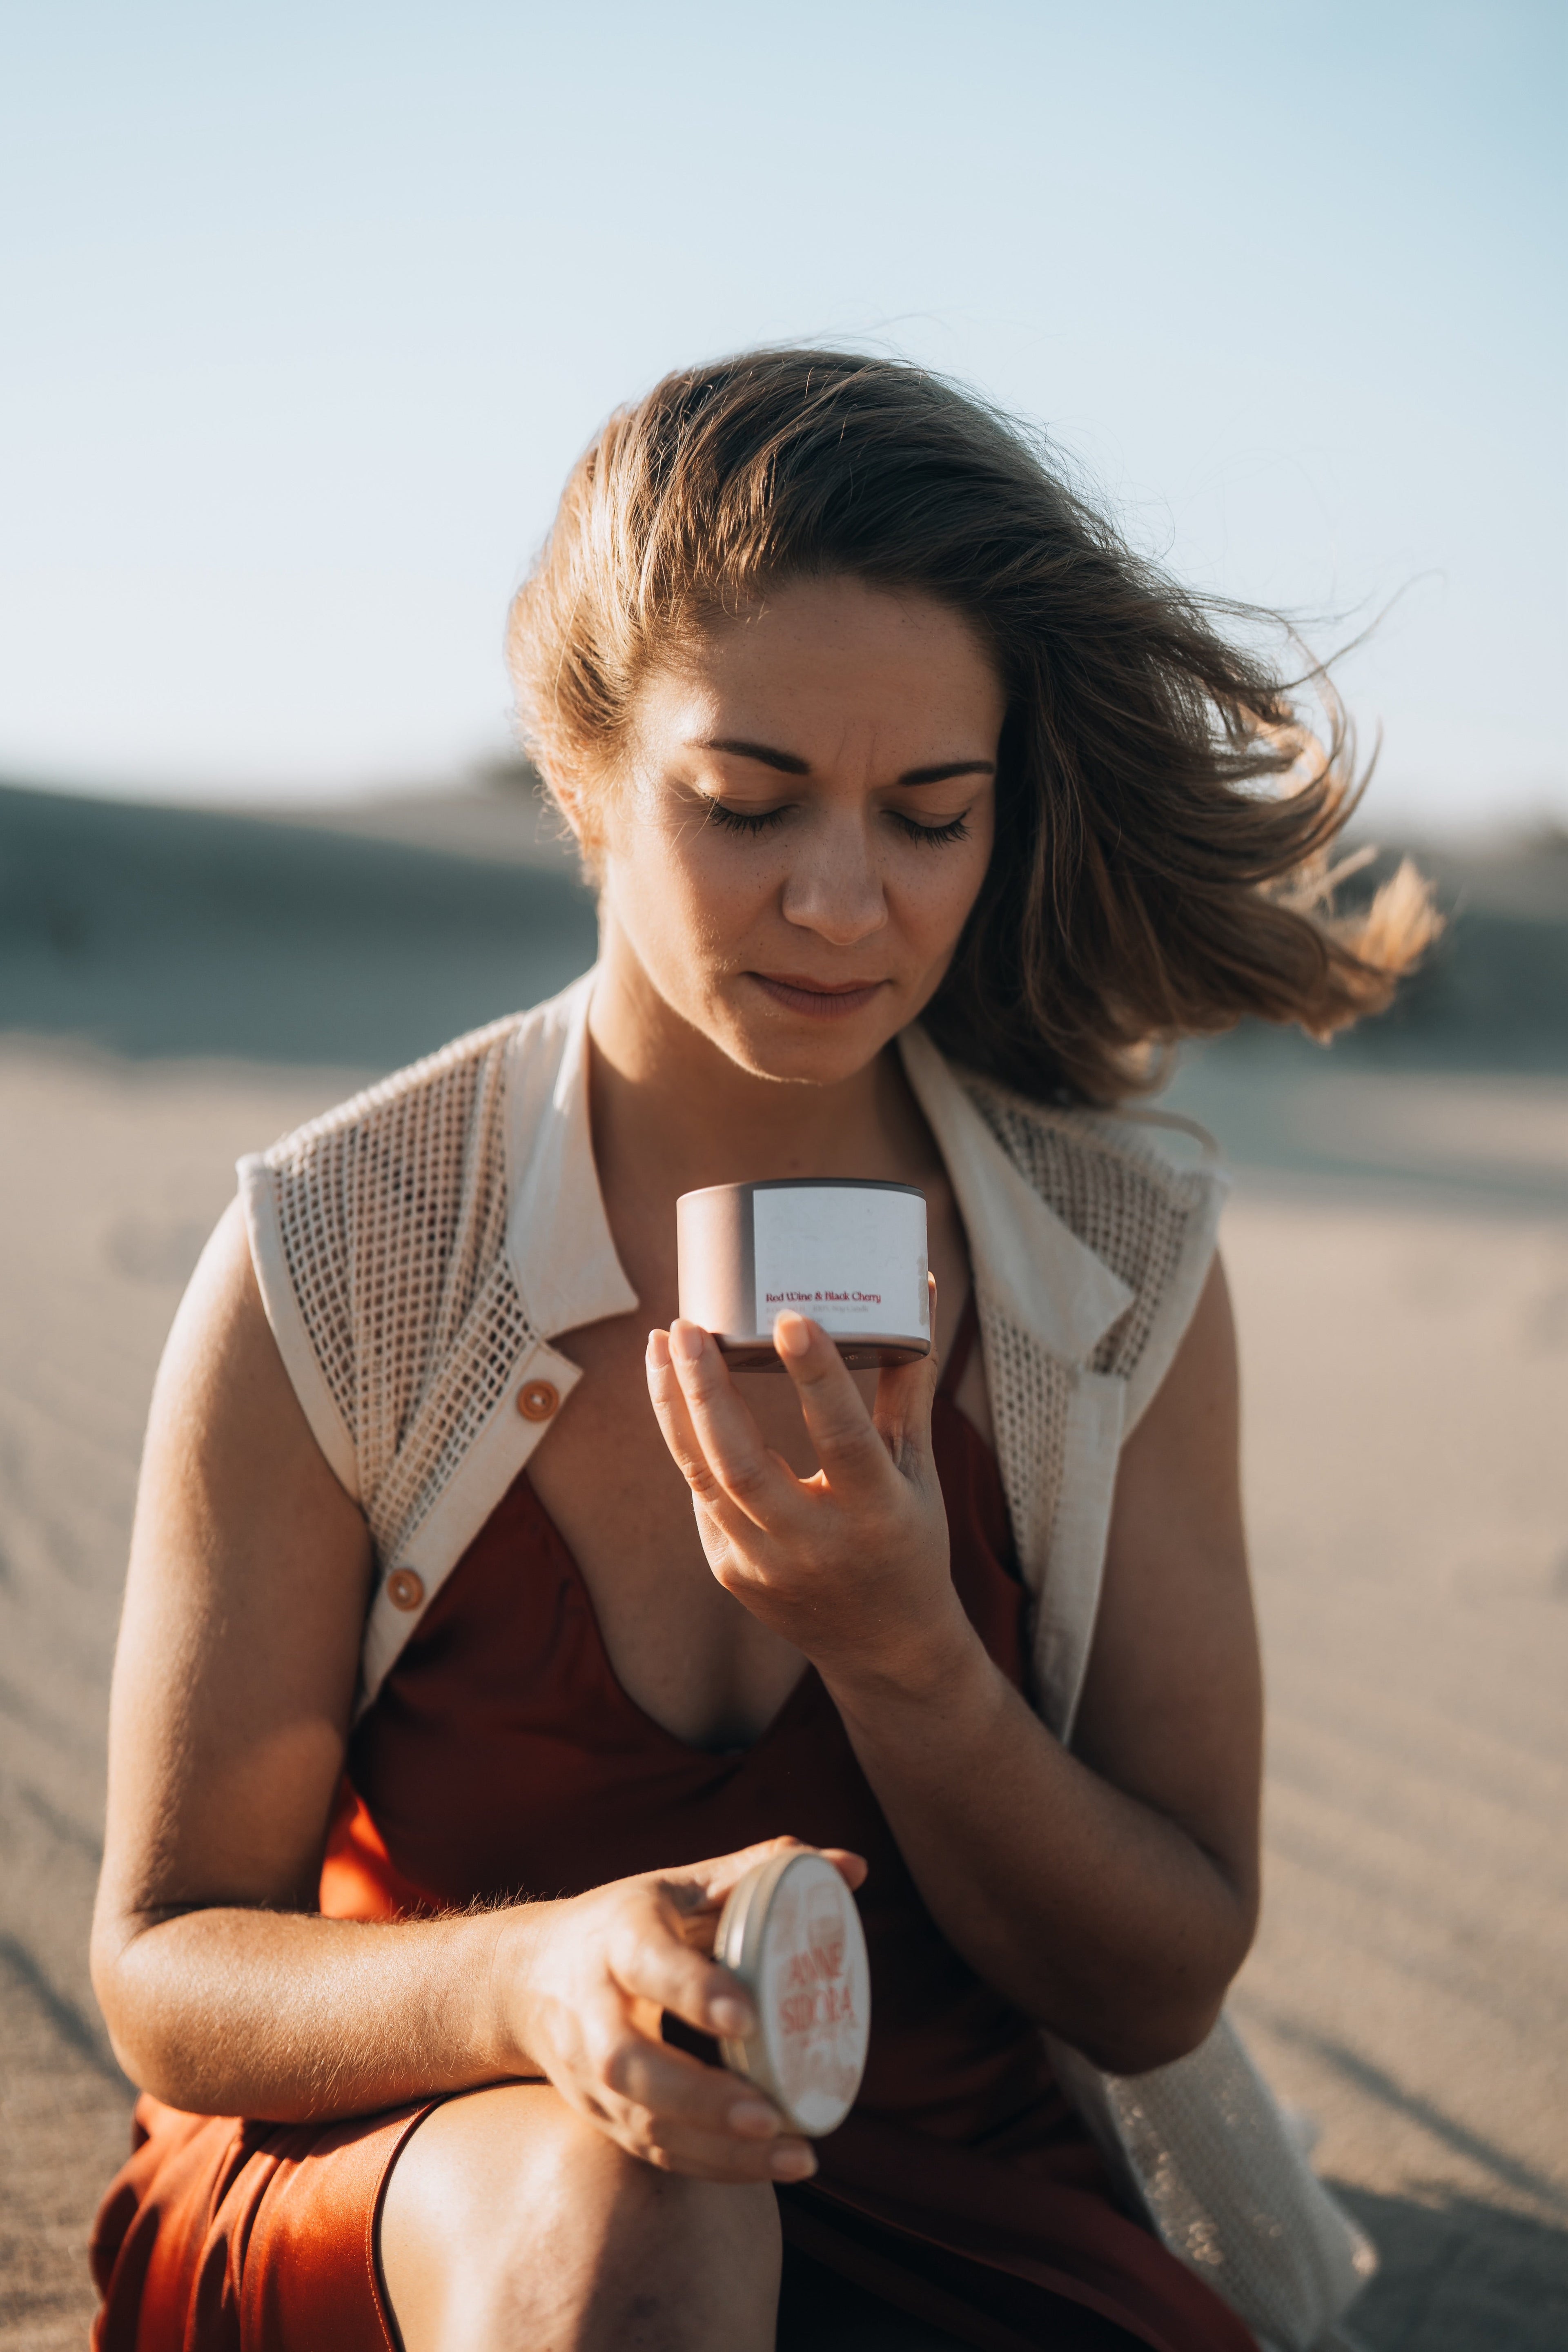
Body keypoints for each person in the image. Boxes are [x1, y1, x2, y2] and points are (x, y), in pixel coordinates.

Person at [87, 350, 1433, 2352]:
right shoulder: (345, 1252)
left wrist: (912, 1657)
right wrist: (525, 1984)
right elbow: (171, 1968)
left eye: (930, 816)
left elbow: (1158, 1984)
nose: (841, 900)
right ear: (585, 768)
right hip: (426, 2170)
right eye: (747, 801)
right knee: (634, 2207)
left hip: (960, 2191)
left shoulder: (1112, 1270)